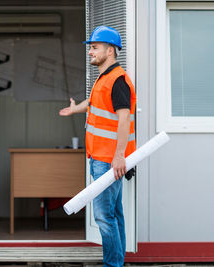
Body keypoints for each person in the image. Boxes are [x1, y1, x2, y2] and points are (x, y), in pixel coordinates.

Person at [59, 25, 136, 267]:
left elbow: (124, 119)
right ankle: (117, 263)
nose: (90, 52)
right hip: (102, 158)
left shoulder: (118, 80)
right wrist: (75, 109)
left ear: (110, 51)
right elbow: (93, 104)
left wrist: (120, 156)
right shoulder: (104, 78)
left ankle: (112, 265)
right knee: (114, 215)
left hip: (109, 160)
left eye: (94, 47)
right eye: (90, 47)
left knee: (104, 217)